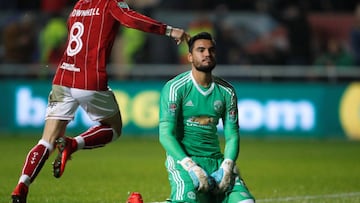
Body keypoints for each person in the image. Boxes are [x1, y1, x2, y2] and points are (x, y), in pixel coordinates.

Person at [11, 0, 189, 202]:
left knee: (46, 141)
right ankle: (74, 144)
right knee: (113, 127)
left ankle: (21, 186)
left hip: (63, 77)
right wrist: (169, 30)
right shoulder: (109, 3)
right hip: (89, 80)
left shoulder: (79, 5)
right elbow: (131, 19)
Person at [159, 32, 255, 203]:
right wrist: (189, 165)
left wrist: (227, 165)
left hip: (216, 162)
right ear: (190, 56)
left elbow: (232, 135)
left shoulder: (227, 91)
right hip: (183, 161)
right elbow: (166, 135)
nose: (207, 54)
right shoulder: (175, 88)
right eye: (200, 50)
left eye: (211, 50)